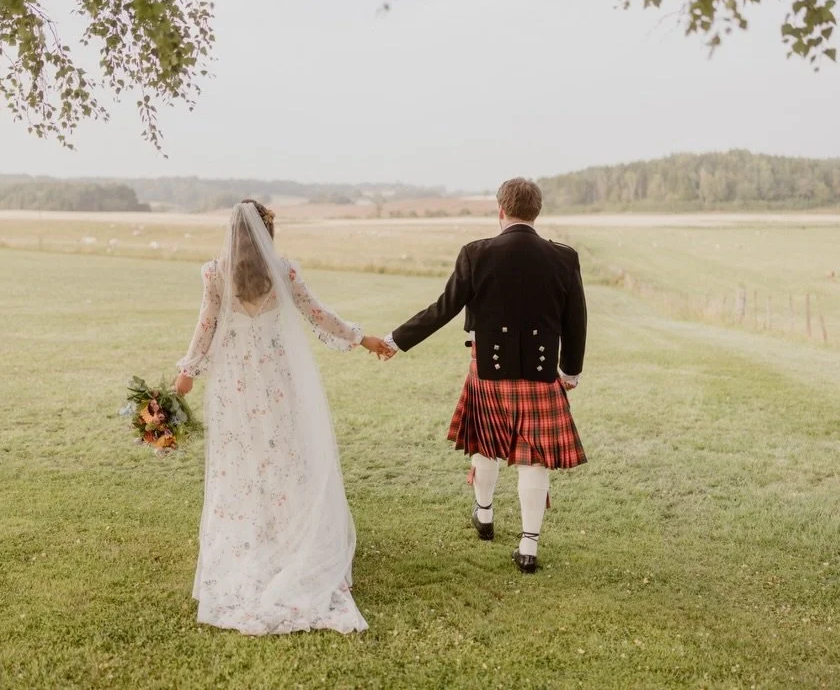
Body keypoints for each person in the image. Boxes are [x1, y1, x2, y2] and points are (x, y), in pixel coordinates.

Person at [174, 200, 391, 634]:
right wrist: (362, 338)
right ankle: (287, 543)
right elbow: (319, 315)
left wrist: (186, 372)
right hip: (276, 384)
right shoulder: (284, 272)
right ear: (269, 234)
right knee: (287, 460)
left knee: (242, 463)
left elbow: (206, 326)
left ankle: (255, 541)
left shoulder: (214, 273)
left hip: (235, 387)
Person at [382, 178, 587, 573]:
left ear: (500, 210)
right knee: (534, 457)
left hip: (488, 372)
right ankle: (529, 546)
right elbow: (575, 318)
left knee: (486, 442)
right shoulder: (564, 257)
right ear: (536, 212)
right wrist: (571, 369)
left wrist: (395, 340)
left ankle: (486, 514)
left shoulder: (476, 253)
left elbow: (442, 309)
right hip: (541, 374)